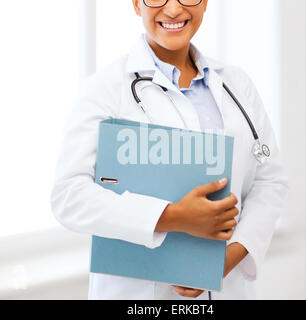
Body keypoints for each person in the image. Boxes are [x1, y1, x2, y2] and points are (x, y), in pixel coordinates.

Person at [50, 0, 289, 300]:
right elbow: (69, 196)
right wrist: (173, 216)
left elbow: (271, 181)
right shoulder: (105, 89)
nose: (174, 10)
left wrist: (227, 259)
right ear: (137, 4)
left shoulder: (236, 82)